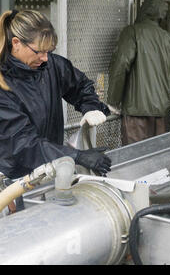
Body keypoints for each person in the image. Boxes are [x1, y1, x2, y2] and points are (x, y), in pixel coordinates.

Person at [0, 9, 112, 180]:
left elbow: (80, 85)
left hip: (50, 167)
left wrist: (91, 107)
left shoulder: (49, 66)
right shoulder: (3, 84)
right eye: (39, 51)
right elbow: (24, 144)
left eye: (49, 51)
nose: (45, 58)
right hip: (13, 177)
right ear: (16, 43)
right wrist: (76, 156)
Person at [107, 0, 170, 146]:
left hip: (135, 111)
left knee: (133, 158)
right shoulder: (166, 37)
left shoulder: (132, 32)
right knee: (157, 157)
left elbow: (120, 65)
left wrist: (113, 100)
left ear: (143, 11)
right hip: (161, 111)